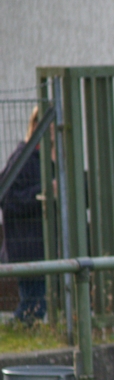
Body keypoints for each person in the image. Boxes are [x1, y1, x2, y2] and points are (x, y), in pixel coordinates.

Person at [0, 106, 46, 324]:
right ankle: (13, 329)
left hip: (39, 247)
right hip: (27, 246)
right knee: (33, 306)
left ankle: (17, 329)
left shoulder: (42, 159)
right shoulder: (24, 158)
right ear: (35, 126)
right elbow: (7, 198)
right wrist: (41, 193)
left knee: (36, 304)